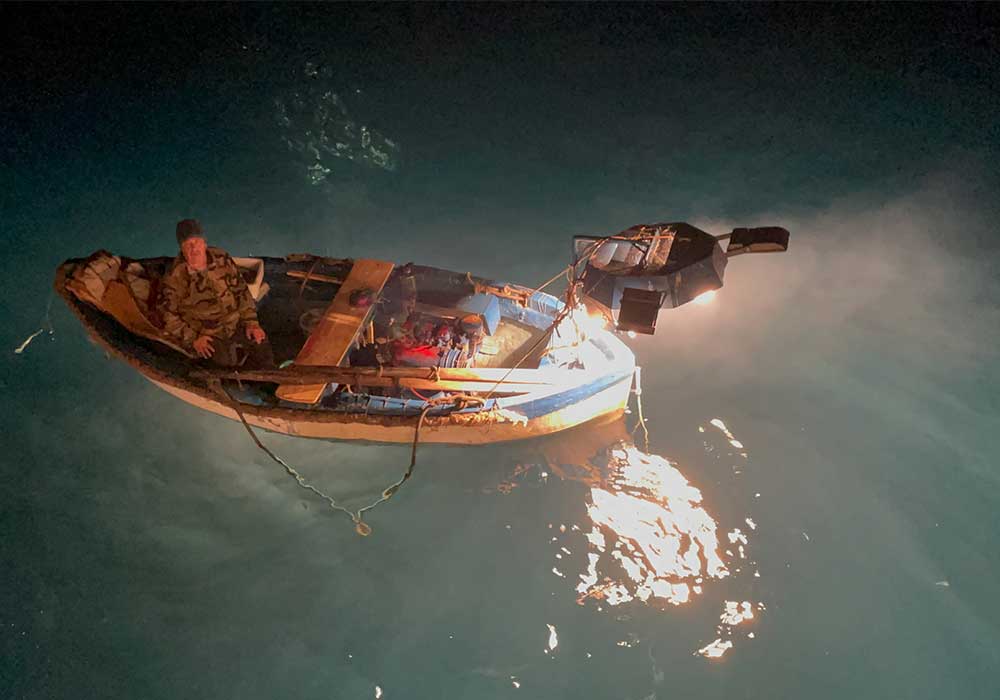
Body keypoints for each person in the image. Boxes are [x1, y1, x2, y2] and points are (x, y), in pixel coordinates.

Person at [158, 219, 275, 369]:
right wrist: (193, 338)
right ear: (182, 249)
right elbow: (168, 317)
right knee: (223, 364)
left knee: (261, 343)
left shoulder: (221, 259)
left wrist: (251, 323)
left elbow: (241, 291)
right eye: (188, 244)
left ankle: (269, 376)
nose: (194, 248)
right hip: (207, 333)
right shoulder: (175, 277)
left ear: (204, 243)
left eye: (196, 242)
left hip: (234, 323)